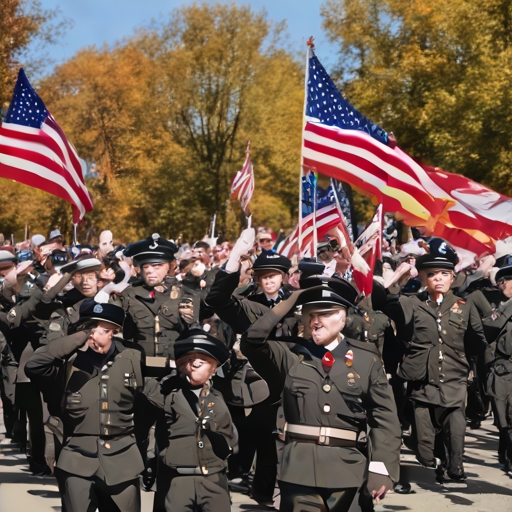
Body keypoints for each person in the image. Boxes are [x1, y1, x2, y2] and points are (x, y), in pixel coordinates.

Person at [241, 284, 401, 512]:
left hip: (349, 470)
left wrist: (381, 468)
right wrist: (290, 301)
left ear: (343, 318)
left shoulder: (366, 361)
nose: (315, 321)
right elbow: (252, 341)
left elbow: (384, 418)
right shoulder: (289, 355)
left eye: (325, 314)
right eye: (311, 314)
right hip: (299, 470)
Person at [25, 299, 144, 512]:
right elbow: (34, 365)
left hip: (123, 459)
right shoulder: (66, 364)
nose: (94, 336)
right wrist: (80, 336)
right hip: (76, 461)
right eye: (89, 328)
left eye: (103, 330)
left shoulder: (132, 359)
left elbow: (152, 402)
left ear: (115, 332)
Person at [386, 241, 487, 484]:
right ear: (421, 277)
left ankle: (455, 467)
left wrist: (478, 375)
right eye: (431, 274)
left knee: (456, 432)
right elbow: (386, 304)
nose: (438, 279)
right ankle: (429, 457)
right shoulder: (413, 303)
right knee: (424, 444)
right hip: (422, 382)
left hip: (454, 380)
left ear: (453, 278)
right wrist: (398, 277)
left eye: (444, 274)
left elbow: (478, 341)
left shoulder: (464, 306)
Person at [142, 328, 235, 512]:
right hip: (176, 476)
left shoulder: (221, 391)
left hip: (213, 476)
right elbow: (141, 363)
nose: (195, 364)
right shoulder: (166, 390)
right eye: (189, 358)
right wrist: (170, 364)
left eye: (202, 359)